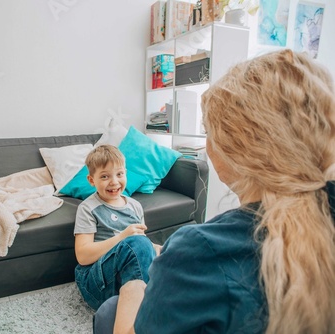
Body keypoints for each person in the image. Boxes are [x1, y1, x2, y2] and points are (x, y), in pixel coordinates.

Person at [96, 49, 335, 334]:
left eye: (208, 131)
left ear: (234, 149)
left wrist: (133, 287)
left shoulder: (197, 250)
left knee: (111, 310)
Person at [73, 144, 162, 333]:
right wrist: (122, 236)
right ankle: (146, 310)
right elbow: (82, 256)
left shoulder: (135, 206)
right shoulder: (88, 208)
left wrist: (160, 249)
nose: (114, 182)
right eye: (105, 176)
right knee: (137, 243)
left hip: (126, 278)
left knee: (171, 246)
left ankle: (137, 303)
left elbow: (140, 249)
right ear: (91, 180)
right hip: (95, 282)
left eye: (119, 174)